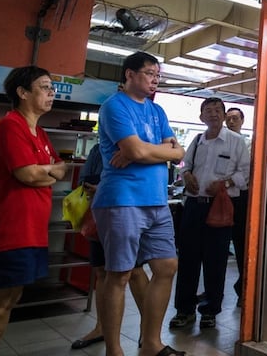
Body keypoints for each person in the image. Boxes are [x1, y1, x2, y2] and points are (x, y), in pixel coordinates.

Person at [0, 66, 68, 356]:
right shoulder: (11, 126)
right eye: (44, 87)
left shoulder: (40, 133)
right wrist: (46, 173)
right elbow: (29, 175)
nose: (51, 93)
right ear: (22, 93)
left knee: (10, 299)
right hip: (6, 231)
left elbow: (60, 169)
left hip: (32, 232)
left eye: (51, 87)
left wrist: (46, 172)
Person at [93, 52, 185, 356]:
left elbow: (179, 151)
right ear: (129, 74)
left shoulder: (157, 111)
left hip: (157, 201)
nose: (155, 80)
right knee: (119, 274)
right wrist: (144, 150)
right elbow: (137, 150)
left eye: (158, 75)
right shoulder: (114, 106)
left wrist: (145, 150)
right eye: (149, 73)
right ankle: (114, 349)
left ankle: (152, 344)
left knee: (167, 266)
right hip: (122, 200)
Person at [171, 97, 249, 329]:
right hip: (194, 206)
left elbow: (246, 174)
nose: (213, 114)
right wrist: (186, 176)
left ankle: (210, 311)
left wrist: (224, 184)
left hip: (220, 208)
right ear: (201, 117)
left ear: (224, 116)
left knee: (215, 262)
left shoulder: (236, 141)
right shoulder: (197, 140)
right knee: (187, 261)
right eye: (208, 110)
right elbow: (183, 164)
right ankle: (184, 310)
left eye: (218, 110)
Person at [70, 144, 149, 350]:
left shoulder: (138, 146)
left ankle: (148, 328)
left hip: (129, 215)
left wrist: (107, 186)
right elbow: (83, 181)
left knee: (135, 271)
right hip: (100, 215)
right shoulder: (98, 149)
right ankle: (101, 327)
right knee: (101, 272)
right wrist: (97, 187)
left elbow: (144, 182)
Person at [223, 106, 251, 302]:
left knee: (241, 244)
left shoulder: (248, 143)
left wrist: (227, 181)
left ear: (242, 121)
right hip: (217, 198)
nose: (231, 121)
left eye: (235, 118)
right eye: (229, 118)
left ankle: (243, 286)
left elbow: (246, 171)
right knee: (218, 244)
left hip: (240, 198)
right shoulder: (217, 141)